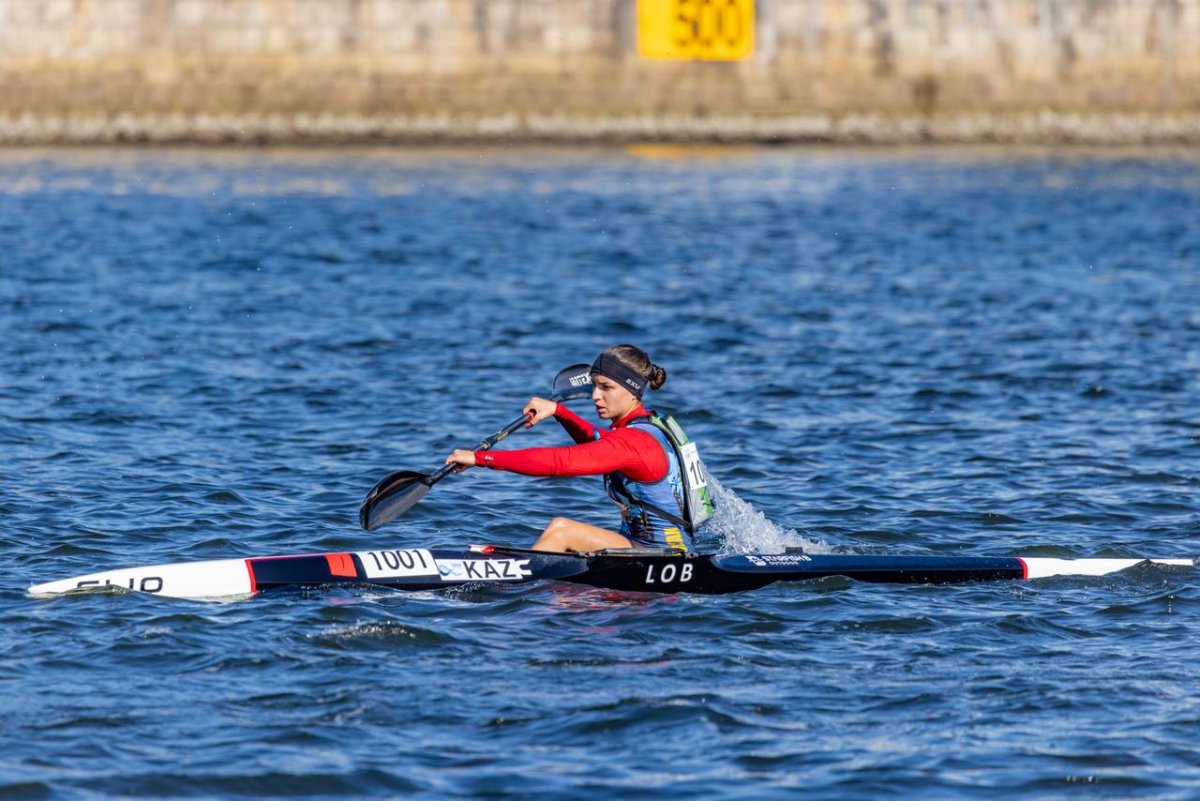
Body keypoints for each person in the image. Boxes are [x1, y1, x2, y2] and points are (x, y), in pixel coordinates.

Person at [445, 344, 710, 553]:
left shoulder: (634, 442)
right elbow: (599, 442)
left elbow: (561, 462)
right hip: (656, 549)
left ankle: (516, 597)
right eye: (594, 384)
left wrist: (479, 458)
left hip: (662, 555)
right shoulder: (649, 425)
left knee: (562, 530)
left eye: (606, 387)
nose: (595, 395)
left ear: (633, 391)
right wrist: (560, 412)